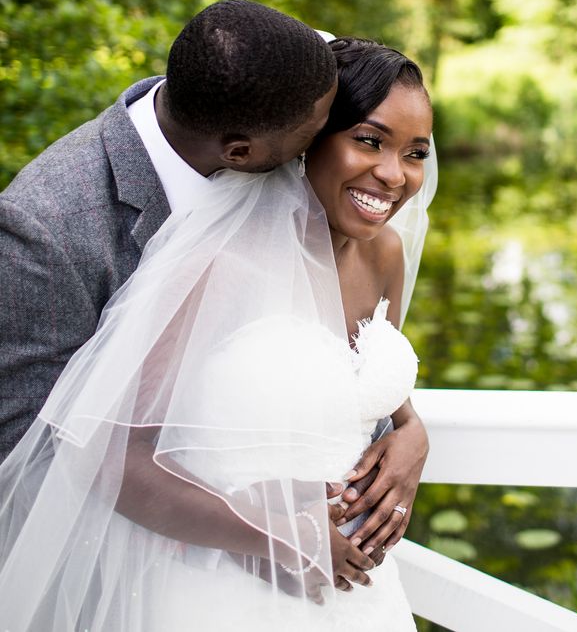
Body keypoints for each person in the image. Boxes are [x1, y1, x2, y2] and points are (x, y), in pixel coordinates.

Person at [0, 36, 435, 629]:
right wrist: (272, 536)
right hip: (223, 585)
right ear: (308, 143)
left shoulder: (383, 253)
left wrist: (411, 432)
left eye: (416, 152)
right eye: (369, 140)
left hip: (360, 592)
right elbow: (98, 449)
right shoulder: (213, 263)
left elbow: (353, 376)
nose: (394, 174)